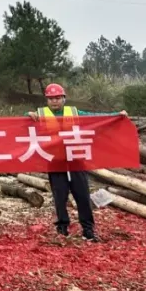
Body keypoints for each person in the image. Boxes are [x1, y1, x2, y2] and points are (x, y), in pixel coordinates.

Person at [27, 83, 128, 242]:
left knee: (82, 195)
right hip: (55, 161)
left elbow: (95, 117)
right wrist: (28, 114)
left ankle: (88, 230)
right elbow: (20, 123)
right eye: (51, 98)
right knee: (60, 196)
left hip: (76, 159)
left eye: (58, 98)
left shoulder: (74, 113)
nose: (54, 101)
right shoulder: (40, 114)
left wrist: (116, 115)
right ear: (47, 100)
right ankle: (62, 228)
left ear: (64, 98)